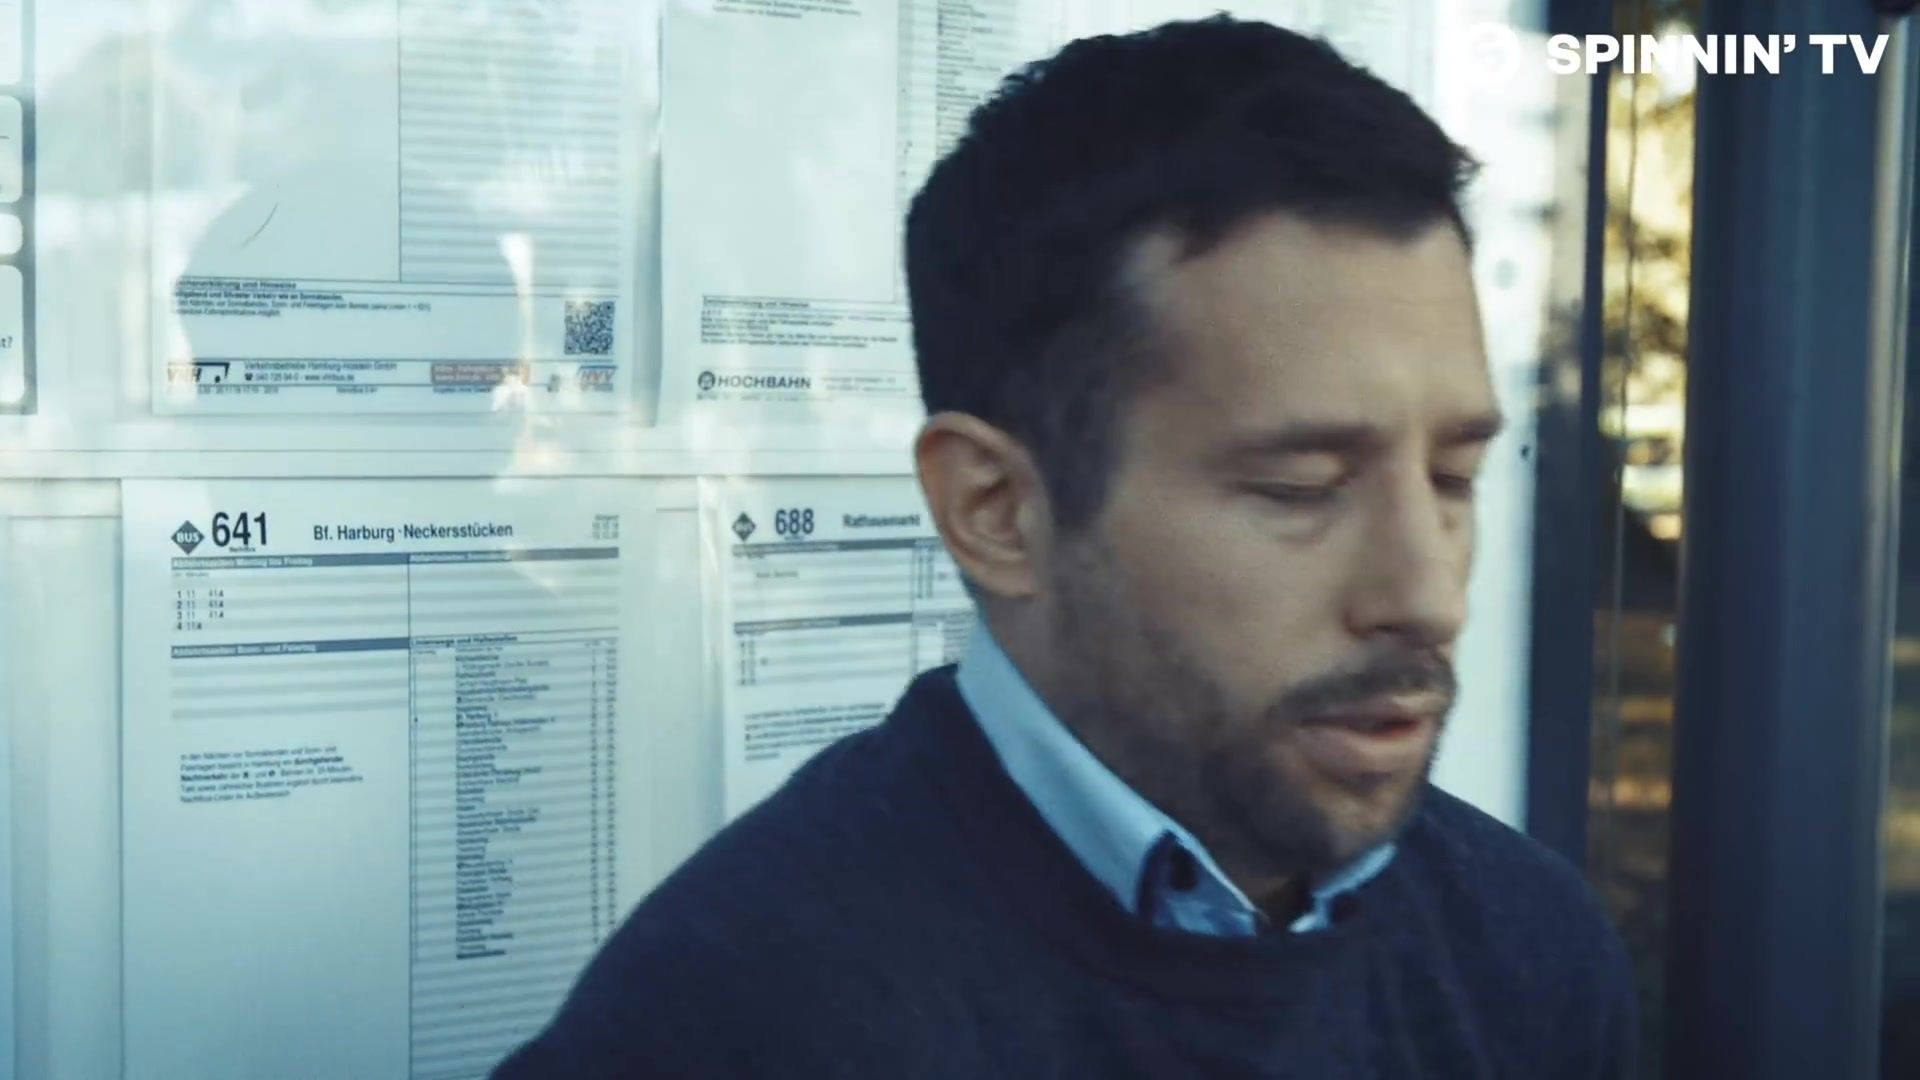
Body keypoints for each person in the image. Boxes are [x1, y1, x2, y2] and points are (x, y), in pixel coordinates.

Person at [497, 16, 1636, 1078]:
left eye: (1453, 478)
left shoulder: (1526, 947)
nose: (1428, 593)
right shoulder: (741, 1019)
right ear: (996, 510)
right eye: (1299, 489)